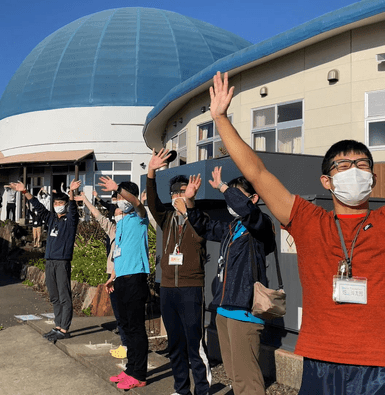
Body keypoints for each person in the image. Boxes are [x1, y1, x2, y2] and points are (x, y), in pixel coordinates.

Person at [208, 33, 385, 394]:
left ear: (373, 177)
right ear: (326, 180)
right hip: (321, 362)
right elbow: (258, 173)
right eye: (342, 164)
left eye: (362, 163)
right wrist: (221, 119)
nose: (354, 168)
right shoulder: (309, 221)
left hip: (381, 368)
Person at [186, 167, 276, 395]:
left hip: (244, 310)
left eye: (236, 196)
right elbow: (204, 227)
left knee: (248, 379)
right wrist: (190, 202)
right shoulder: (232, 227)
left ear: (253, 199)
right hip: (224, 309)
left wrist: (224, 187)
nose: (231, 202)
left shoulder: (260, 226)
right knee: (235, 374)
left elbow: (248, 212)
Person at [146, 149, 211, 395]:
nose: (177, 196)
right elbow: (152, 201)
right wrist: (151, 171)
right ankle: (181, 389)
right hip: (168, 290)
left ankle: (202, 390)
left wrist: (190, 204)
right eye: (174, 193)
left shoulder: (199, 218)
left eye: (181, 192)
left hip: (191, 288)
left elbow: (199, 227)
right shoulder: (166, 218)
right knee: (175, 344)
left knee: (194, 344)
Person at [11, 179, 81, 342]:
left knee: (64, 296)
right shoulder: (52, 219)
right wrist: (24, 192)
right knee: (54, 296)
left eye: (60, 202)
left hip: (62, 262)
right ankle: (57, 326)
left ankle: (64, 328)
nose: (58, 205)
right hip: (49, 261)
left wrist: (71, 193)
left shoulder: (70, 221)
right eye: (55, 202)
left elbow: (73, 210)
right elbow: (39, 208)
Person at [98, 177, 149, 390]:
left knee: (136, 328)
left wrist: (118, 188)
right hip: (121, 280)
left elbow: (137, 204)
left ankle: (139, 374)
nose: (118, 200)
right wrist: (113, 276)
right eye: (117, 197)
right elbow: (119, 254)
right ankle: (131, 368)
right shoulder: (121, 223)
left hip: (136, 279)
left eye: (121, 196)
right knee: (127, 327)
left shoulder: (139, 217)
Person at [73, 192, 128, 358]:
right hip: (112, 278)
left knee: (127, 314)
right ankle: (125, 345)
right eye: (116, 214)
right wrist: (86, 201)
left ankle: (129, 346)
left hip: (124, 277)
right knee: (119, 314)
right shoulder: (113, 230)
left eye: (121, 213)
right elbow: (98, 216)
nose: (118, 216)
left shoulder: (130, 232)